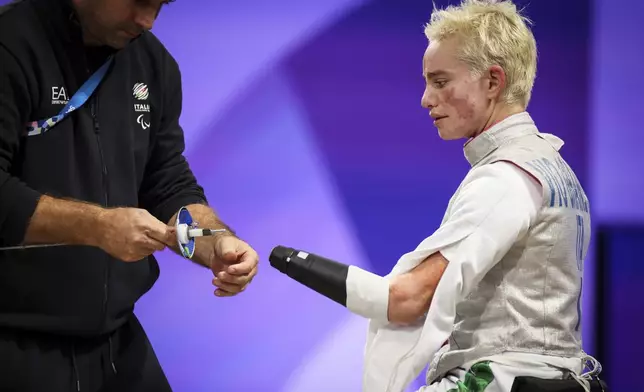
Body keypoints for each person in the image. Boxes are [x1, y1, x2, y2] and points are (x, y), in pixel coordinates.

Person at [268, 1, 603, 391]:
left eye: (440, 81)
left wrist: (287, 259)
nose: (426, 99)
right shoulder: (554, 169)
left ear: (493, 82)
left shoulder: (505, 178)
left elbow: (405, 299)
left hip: (498, 380)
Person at [0, 0, 259, 390]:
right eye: (138, 1)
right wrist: (98, 226)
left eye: (160, 5)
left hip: (117, 343)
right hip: (15, 341)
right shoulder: (10, 46)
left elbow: (167, 183)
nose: (148, 20)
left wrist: (215, 241)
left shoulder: (155, 66)